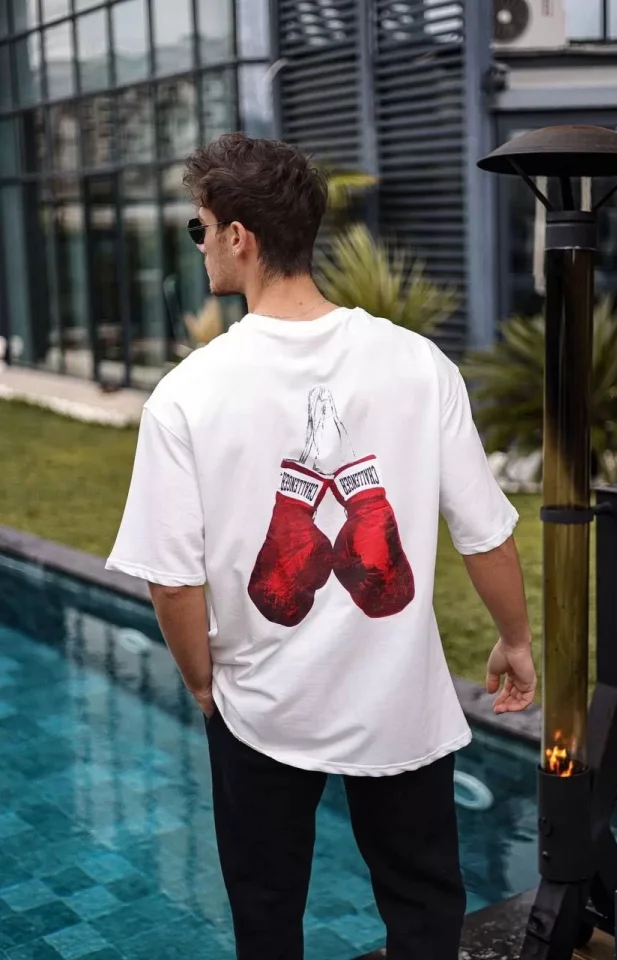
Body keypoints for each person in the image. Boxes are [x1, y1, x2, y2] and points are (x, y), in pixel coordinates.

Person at [106, 133, 537, 960]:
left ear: (240, 237)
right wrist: (515, 640)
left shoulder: (187, 395)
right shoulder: (419, 364)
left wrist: (201, 682)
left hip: (261, 702)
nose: (199, 246)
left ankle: (313, 500)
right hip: (398, 699)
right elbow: (485, 532)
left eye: (200, 228)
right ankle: (343, 497)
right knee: (423, 907)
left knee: (267, 914)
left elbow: (173, 581)